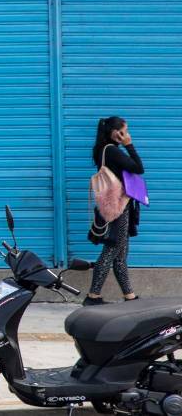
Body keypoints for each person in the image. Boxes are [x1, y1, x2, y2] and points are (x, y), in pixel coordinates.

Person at [85, 116, 144, 306]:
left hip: (118, 206)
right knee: (112, 250)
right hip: (118, 207)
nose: (126, 134)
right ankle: (93, 296)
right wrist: (129, 145)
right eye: (123, 131)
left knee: (120, 254)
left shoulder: (103, 149)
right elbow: (138, 168)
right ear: (114, 132)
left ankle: (130, 296)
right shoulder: (111, 150)